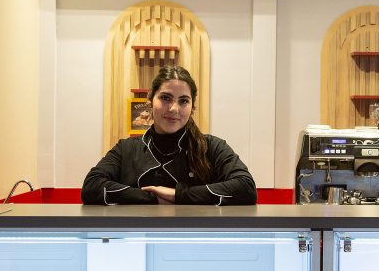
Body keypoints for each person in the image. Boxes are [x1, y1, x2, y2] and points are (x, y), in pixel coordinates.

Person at [82, 66, 257, 205]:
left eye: (183, 101)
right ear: (150, 99)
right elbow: (91, 187)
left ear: (192, 106)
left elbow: (246, 188)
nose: (174, 109)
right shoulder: (126, 149)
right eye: (165, 98)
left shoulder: (212, 147)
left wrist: (178, 195)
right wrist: (153, 198)